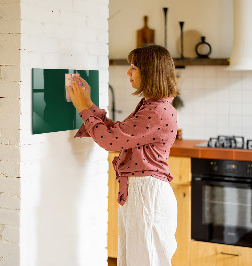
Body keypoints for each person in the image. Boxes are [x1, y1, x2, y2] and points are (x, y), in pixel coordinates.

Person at [67, 44, 179, 266]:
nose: (128, 72)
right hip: (142, 193)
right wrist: (88, 103)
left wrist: (82, 108)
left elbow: (110, 141)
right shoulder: (152, 106)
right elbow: (118, 133)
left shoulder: (156, 111)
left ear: (150, 72)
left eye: (134, 67)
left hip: (147, 195)